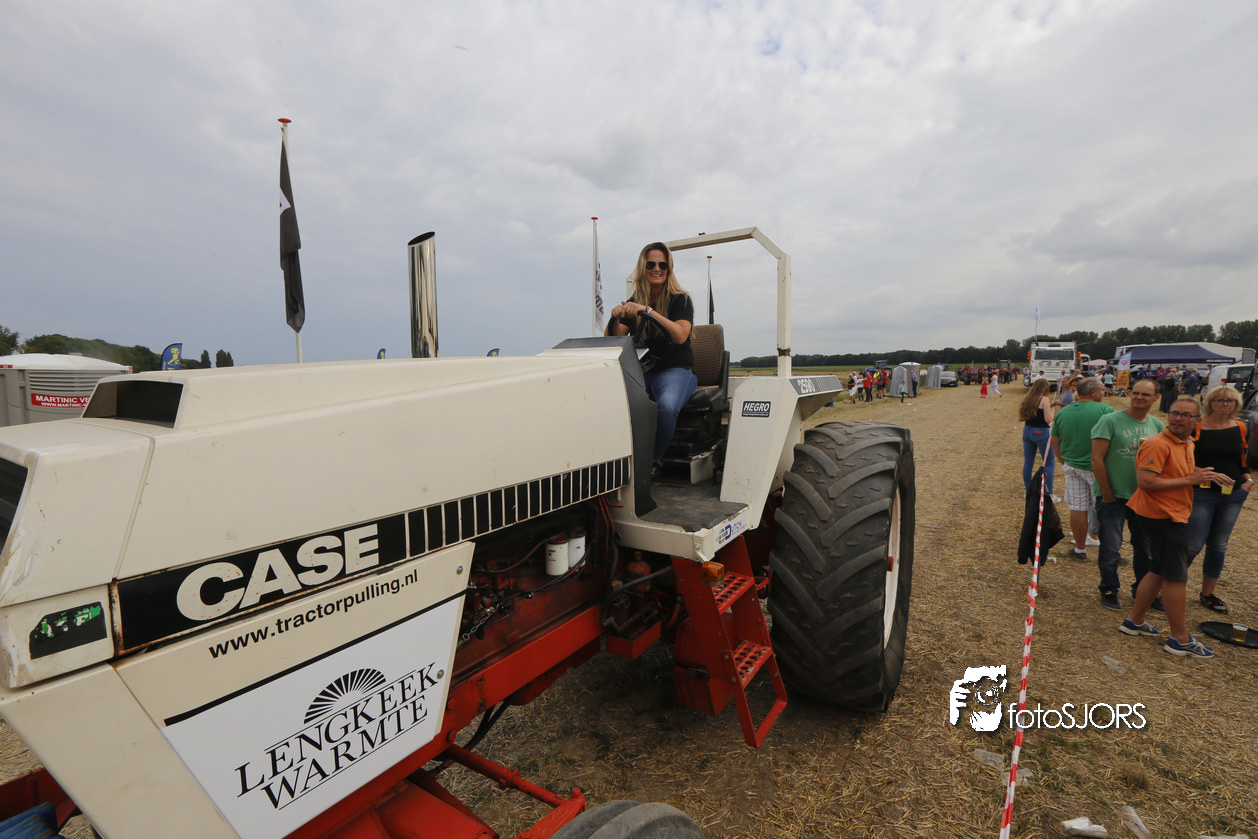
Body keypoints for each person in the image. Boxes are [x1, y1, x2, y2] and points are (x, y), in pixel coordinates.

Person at [1120, 398, 1226, 659]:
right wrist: (1190, 479)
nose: (1178, 418)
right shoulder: (1157, 444)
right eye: (1175, 413)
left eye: (1185, 415)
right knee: (1176, 577)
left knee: (1158, 569)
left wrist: (1204, 475)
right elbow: (1146, 481)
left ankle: (1135, 621)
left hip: (1171, 513)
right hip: (1162, 516)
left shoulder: (1186, 443)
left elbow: (1180, 470)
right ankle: (1180, 638)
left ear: (1197, 421)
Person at [607, 242, 696, 479]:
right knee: (611, 401)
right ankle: (615, 458)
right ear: (643, 268)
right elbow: (615, 339)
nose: (657, 269)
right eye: (651, 264)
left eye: (662, 265)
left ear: (669, 268)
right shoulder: (634, 302)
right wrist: (617, 316)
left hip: (676, 370)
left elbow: (680, 335)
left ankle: (651, 461)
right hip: (644, 371)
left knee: (666, 406)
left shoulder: (680, 300)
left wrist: (647, 311)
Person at [1091, 380, 1163, 611]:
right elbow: (1096, 459)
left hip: (1144, 498)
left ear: (1156, 398)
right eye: (1135, 393)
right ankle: (1109, 588)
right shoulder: (1110, 420)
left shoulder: (1158, 425)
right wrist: (1107, 493)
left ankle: (1143, 591)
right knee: (1111, 547)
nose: (1139, 397)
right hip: (1113, 497)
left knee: (1145, 549)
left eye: (1145, 394)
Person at [1186, 385, 1252, 614]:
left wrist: (1247, 479)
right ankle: (1165, 587)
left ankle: (1207, 594)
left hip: (1233, 494)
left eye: (1230, 401)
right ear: (1210, 402)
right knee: (1193, 544)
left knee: (1219, 545)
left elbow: (1241, 458)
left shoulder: (1240, 427)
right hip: (1202, 492)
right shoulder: (1197, 426)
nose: (1225, 404)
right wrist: (1205, 473)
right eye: (1220, 400)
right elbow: (1183, 460)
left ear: (1237, 404)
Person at [1051, 378, 1113, 564]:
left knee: (1078, 507)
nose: (1104, 393)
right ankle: (1109, 551)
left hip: (1072, 466)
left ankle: (1080, 549)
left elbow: (1054, 440)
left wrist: (1063, 461)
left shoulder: (1064, 411)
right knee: (1104, 508)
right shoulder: (1106, 410)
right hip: (1097, 468)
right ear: (1093, 393)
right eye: (1102, 390)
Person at [1020, 379, 1056, 500]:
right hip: (1041, 432)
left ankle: (1028, 491)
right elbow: (1048, 420)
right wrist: (1052, 413)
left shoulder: (1028, 398)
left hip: (1027, 431)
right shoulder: (1044, 399)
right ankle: (1049, 493)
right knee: (1049, 462)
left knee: (1028, 462)